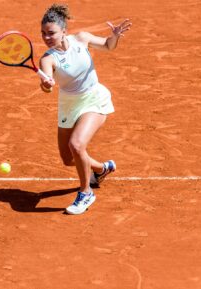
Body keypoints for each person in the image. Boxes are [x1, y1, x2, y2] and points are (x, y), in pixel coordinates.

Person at [39, 4, 131, 215]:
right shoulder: (48, 59)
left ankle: (86, 192)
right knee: (68, 158)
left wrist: (114, 36)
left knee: (76, 144)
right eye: (43, 33)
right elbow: (46, 84)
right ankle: (100, 169)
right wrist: (46, 84)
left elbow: (108, 46)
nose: (46, 37)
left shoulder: (82, 38)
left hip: (94, 98)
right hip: (69, 105)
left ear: (64, 31)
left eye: (51, 33)